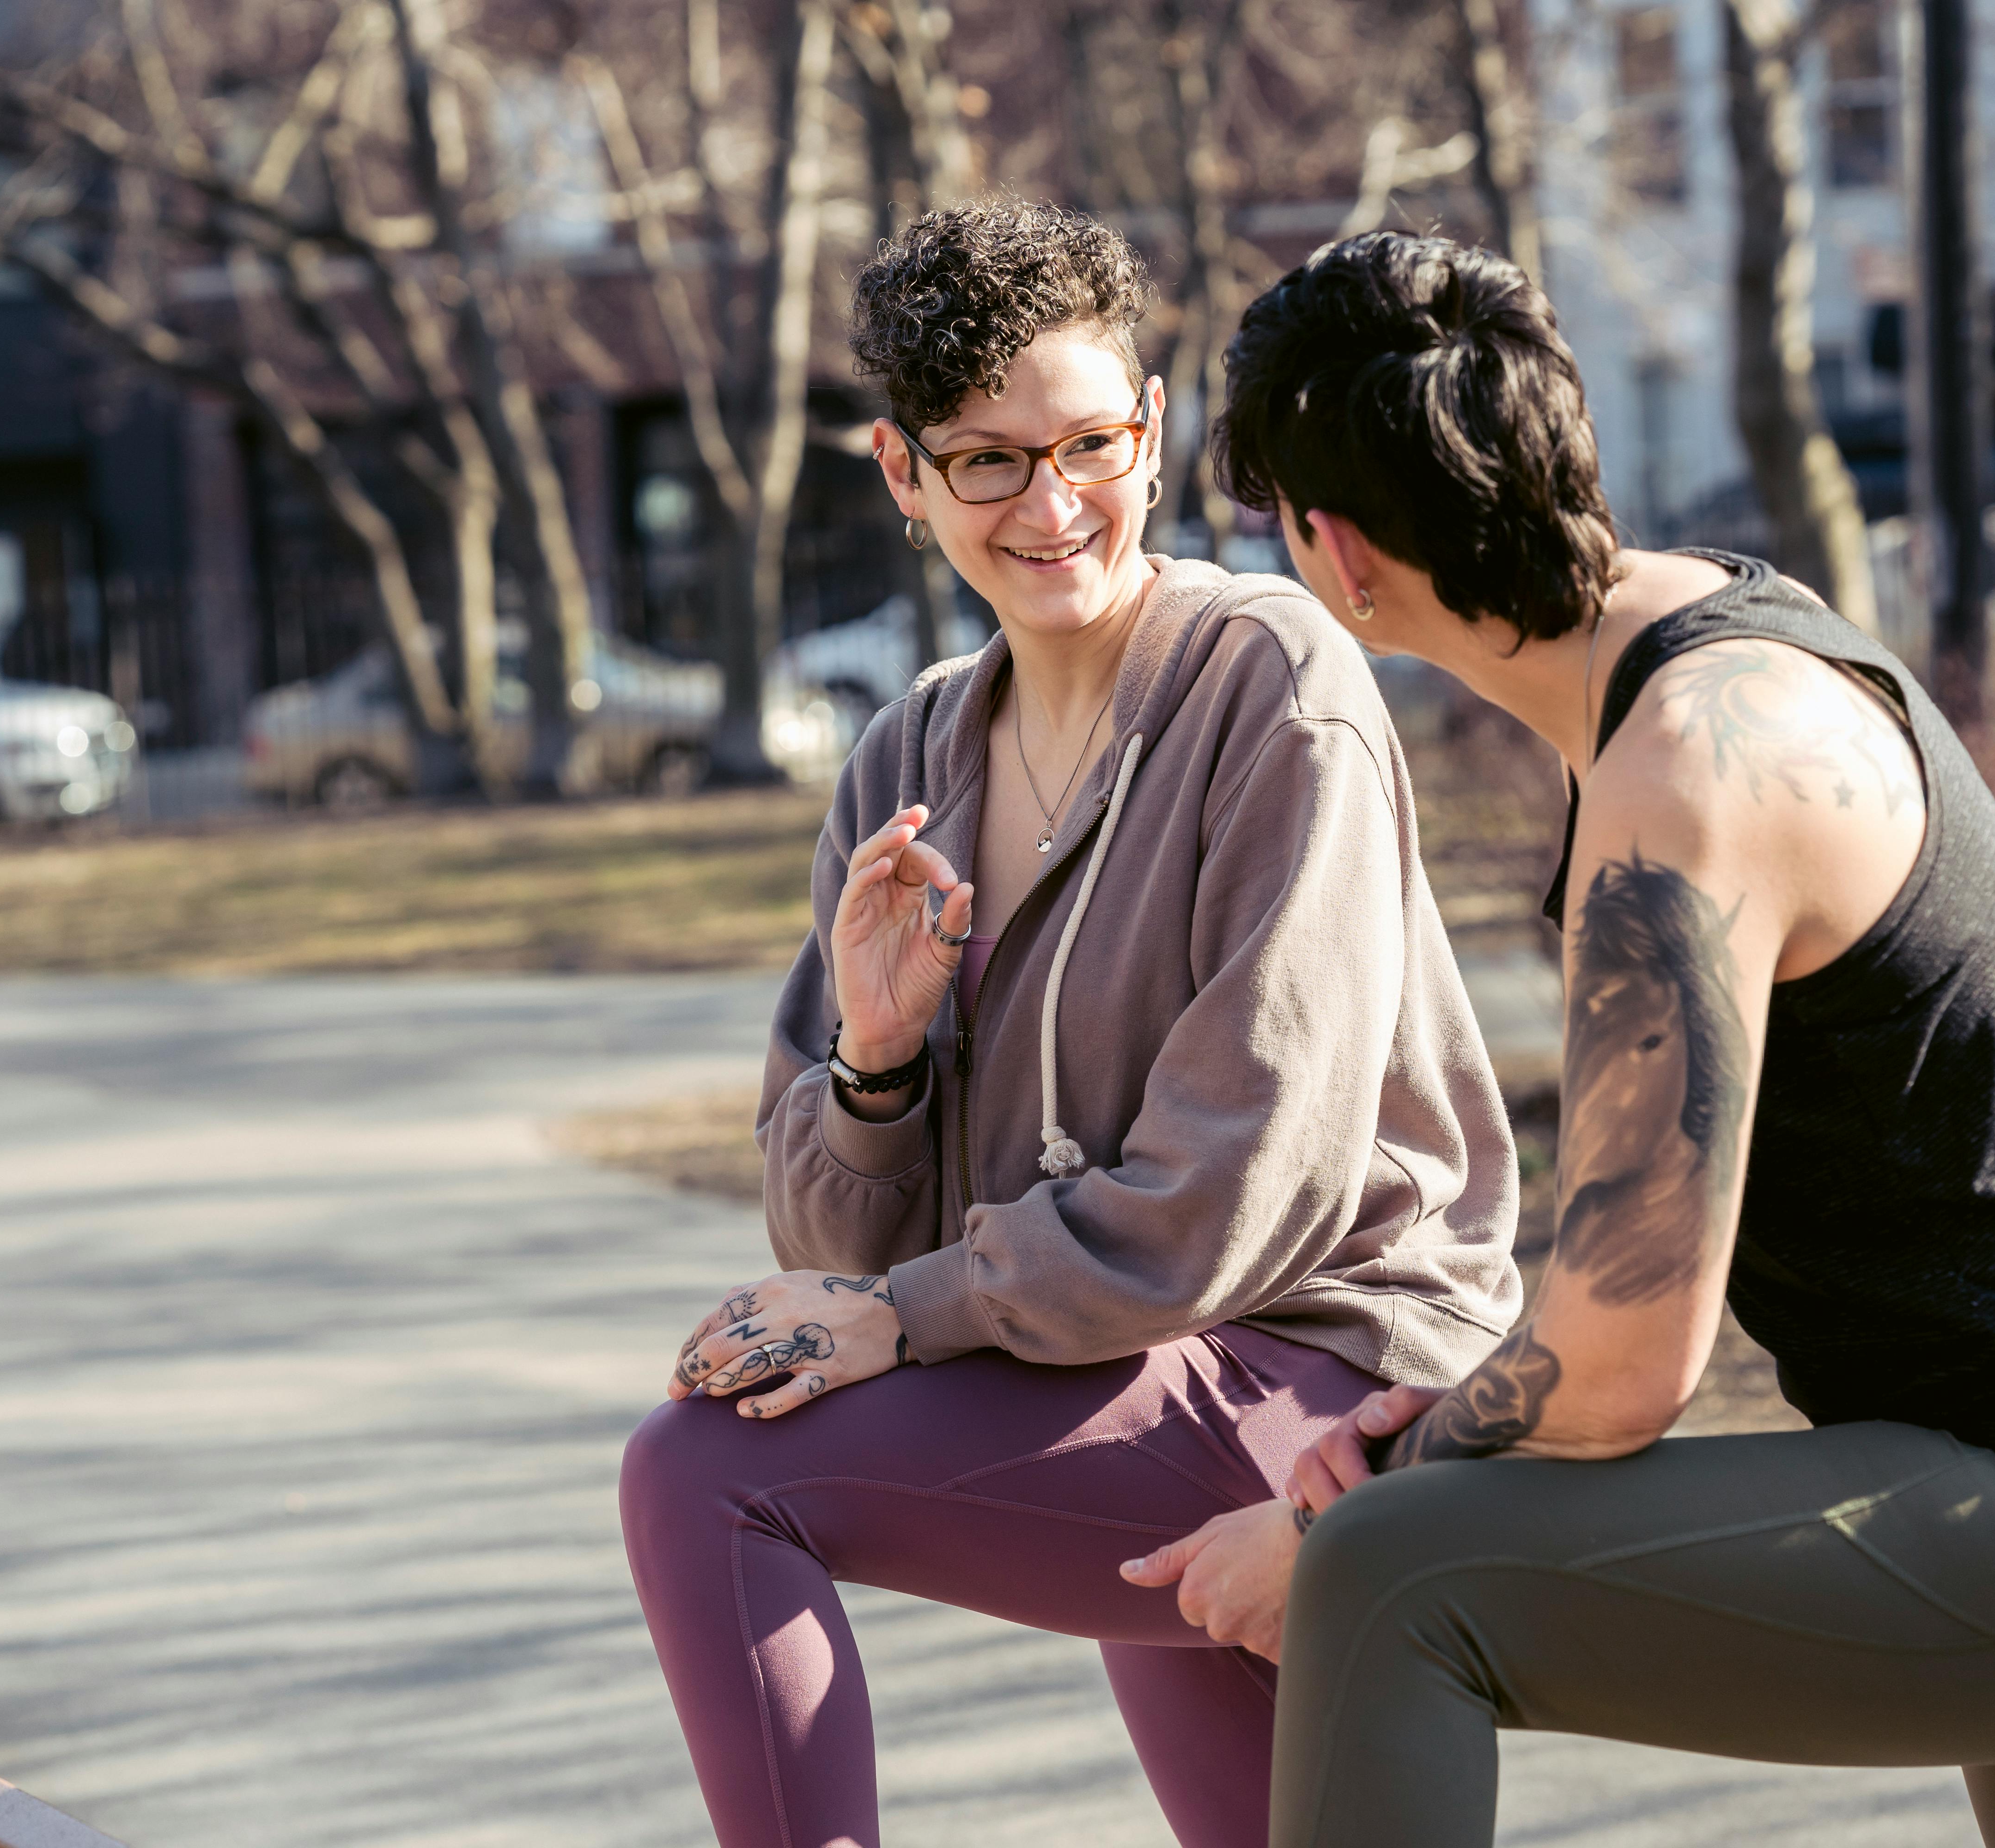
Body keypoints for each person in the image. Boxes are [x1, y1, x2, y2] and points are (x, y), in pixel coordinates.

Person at [1128, 231, 1995, 1848]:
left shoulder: (1686, 775)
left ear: (1335, 553)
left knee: (1393, 1582)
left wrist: (1368, 1486)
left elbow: (1624, 1370)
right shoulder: (1711, 641)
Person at [616, 202, 1521, 1848]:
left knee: (700, 1475)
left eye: (1091, 441)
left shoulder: (1272, 680)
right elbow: (824, 1243)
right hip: (1127, 1374)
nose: (1054, 505)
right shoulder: (907, 762)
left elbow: (1239, 1185)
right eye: (987, 463)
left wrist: (917, 1309)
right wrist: (876, 1064)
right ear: (899, 474)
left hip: (1331, 1376)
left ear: (1155, 424)